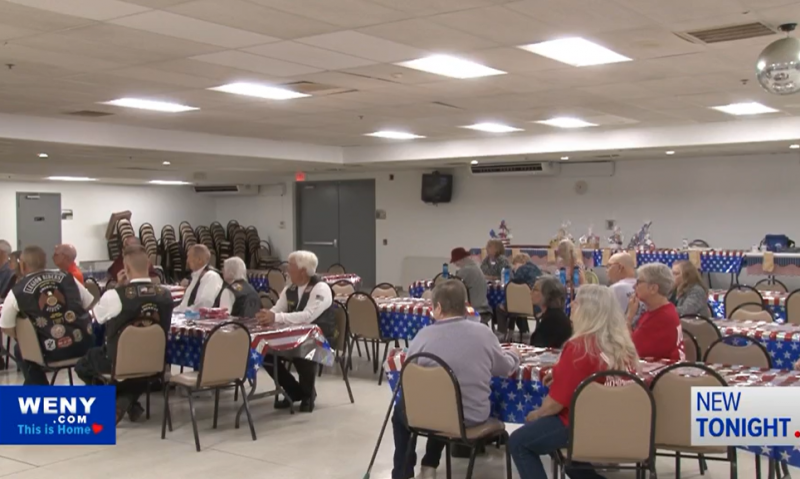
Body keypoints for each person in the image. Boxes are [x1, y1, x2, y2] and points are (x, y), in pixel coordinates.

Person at [392, 280, 520, 479]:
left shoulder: (422, 336)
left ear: (439, 307)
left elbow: (409, 375)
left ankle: (402, 472)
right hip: (471, 417)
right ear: (465, 304)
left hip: (431, 415)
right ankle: (429, 464)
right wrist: (514, 354)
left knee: (403, 410)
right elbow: (505, 369)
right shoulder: (484, 333)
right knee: (448, 405)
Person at [508, 285, 640, 479]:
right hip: (620, 422)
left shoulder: (580, 347)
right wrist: (562, 373)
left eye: (576, 301)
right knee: (572, 462)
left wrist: (536, 415)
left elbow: (555, 404)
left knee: (519, 442)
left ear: (588, 310)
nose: (571, 304)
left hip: (582, 424)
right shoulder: (624, 344)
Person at [75, 246, 173, 424]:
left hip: (118, 362)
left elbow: (97, 317)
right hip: (156, 362)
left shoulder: (115, 296)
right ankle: (128, 402)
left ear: (125, 269)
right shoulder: (166, 294)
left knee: (84, 364)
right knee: (140, 375)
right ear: (149, 265)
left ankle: (115, 402)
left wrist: (119, 287)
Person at [0, 246, 94, 385]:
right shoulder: (68, 278)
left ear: (23, 265)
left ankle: (41, 390)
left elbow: (6, 326)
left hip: (47, 351)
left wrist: (27, 335)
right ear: (45, 262)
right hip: (83, 346)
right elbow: (89, 303)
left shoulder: (18, 290)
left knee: (20, 349)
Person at [256, 250, 335, 413]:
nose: (287, 271)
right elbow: (278, 309)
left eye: (290, 267)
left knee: (304, 349)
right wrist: (267, 315)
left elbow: (308, 316)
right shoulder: (290, 288)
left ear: (303, 270)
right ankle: (293, 390)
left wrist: (276, 317)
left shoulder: (320, 288)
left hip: (321, 339)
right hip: (293, 336)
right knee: (264, 351)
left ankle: (308, 394)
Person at [628, 263, 684, 361]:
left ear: (653, 288)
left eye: (638, 282)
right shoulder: (656, 310)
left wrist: (629, 317)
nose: (633, 286)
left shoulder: (663, 317)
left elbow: (629, 349)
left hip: (664, 373)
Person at [495, 253, 544, 337]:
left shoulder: (521, 270)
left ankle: (502, 334)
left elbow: (511, 288)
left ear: (521, 262)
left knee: (501, 308)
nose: (513, 268)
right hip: (537, 307)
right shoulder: (538, 271)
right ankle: (524, 331)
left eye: (514, 264)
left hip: (521, 305)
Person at [450, 247, 491, 323]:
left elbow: (453, 288)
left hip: (474, 310)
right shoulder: (476, 268)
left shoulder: (465, 270)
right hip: (484, 307)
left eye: (455, 261)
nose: (455, 264)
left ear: (461, 259)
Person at [176, 244, 223, 311]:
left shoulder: (211, 276)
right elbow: (184, 305)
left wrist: (184, 313)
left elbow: (204, 304)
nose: (187, 261)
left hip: (193, 318)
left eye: (189, 257)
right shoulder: (195, 276)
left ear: (199, 260)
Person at [529, 276, 572, 348]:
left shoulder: (552, 320)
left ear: (547, 295)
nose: (531, 292)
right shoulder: (551, 315)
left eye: (535, 290)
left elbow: (539, 346)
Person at [607, 252, 643, 326]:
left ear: (620, 267)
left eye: (609, 266)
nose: (606, 270)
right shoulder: (643, 288)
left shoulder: (615, 289)